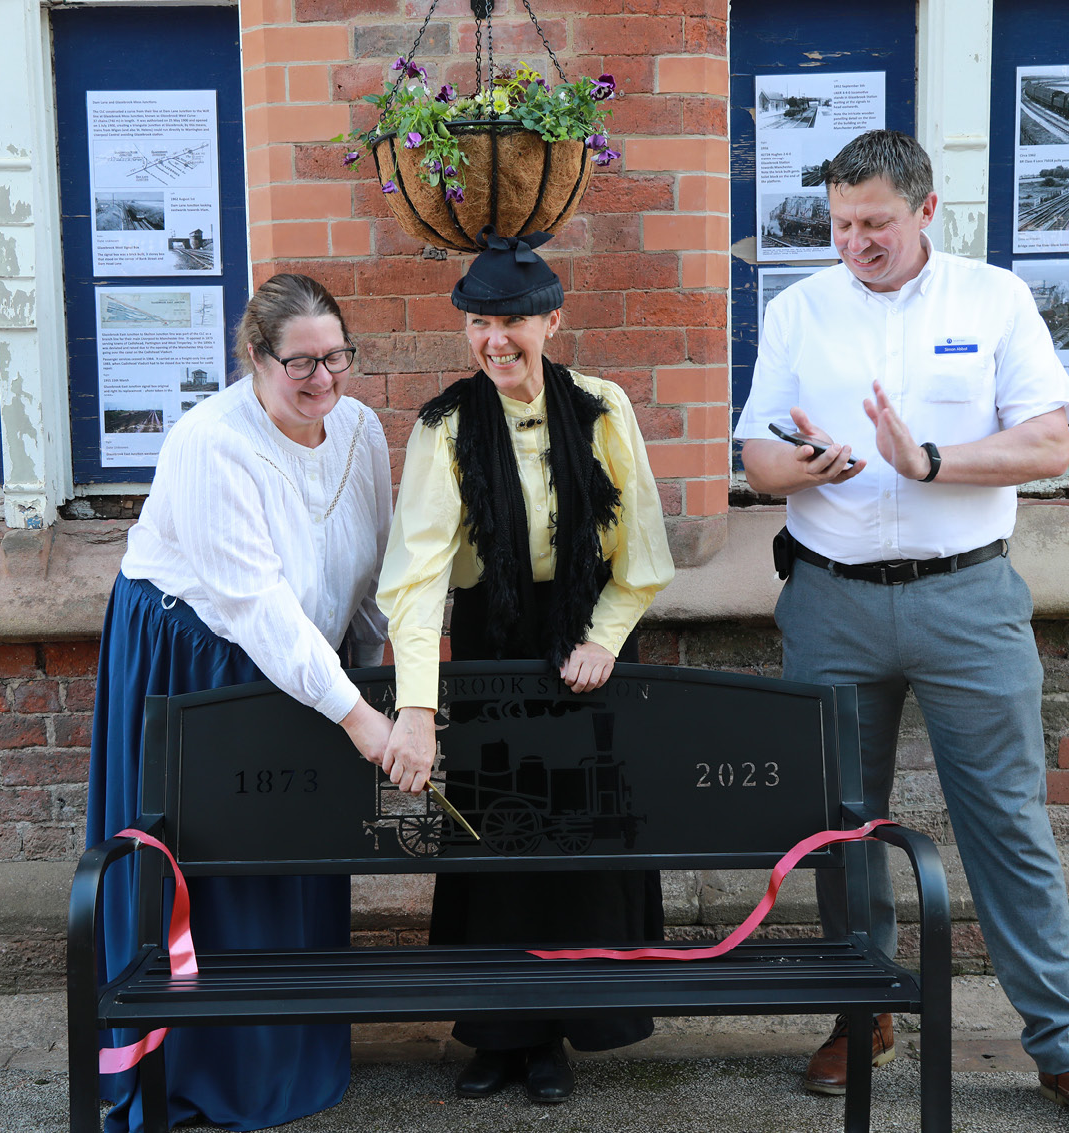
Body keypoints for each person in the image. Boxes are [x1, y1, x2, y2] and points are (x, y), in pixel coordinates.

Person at [736, 130, 1069, 1133]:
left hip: (968, 600)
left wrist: (926, 460)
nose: (856, 242)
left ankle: (1066, 1049)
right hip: (831, 599)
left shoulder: (994, 298)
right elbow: (757, 459)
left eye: (875, 222)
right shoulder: (798, 309)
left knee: (1008, 822)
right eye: (841, 224)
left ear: (927, 210)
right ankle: (864, 1011)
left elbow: (1048, 442)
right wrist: (812, 466)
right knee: (840, 823)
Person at [87, 273, 396, 1133]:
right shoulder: (209, 443)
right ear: (254, 358)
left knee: (296, 843)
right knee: (221, 856)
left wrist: (378, 680)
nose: (324, 379)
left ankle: (296, 1049)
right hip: (200, 655)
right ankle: (208, 1069)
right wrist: (355, 714)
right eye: (301, 363)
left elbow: (374, 567)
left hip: (305, 657)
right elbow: (256, 605)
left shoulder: (361, 429)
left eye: (337, 357)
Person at [377, 229, 676, 1103]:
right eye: (478, 321)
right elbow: (418, 576)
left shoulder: (602, 407)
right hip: (493, 638)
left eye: (511, 319)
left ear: (551, 320)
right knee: (496, 843)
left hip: (584, 639)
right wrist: (419, 706)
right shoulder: (444, 426)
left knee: (578, 845)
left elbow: (643, 552)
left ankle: (558, 1036)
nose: (494, 338)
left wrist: (604, 639)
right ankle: (498, 1033)